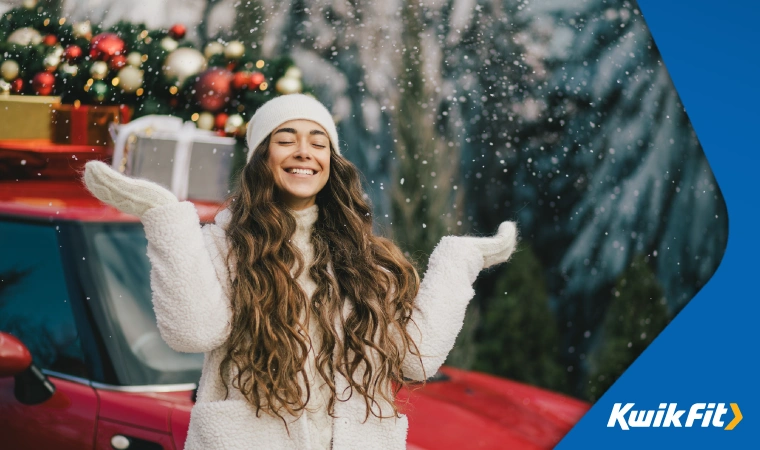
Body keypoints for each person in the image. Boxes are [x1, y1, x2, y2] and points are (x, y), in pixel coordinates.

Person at [83, 93, 518, 450]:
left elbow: (414, 360)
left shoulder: (366, 259)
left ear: (332, 161)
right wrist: (165, 217)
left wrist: (458, 261)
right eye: (286, 139)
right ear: (260, 157)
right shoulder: (224, 244)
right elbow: (194, 332)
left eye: (318, 141)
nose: (304, 152)